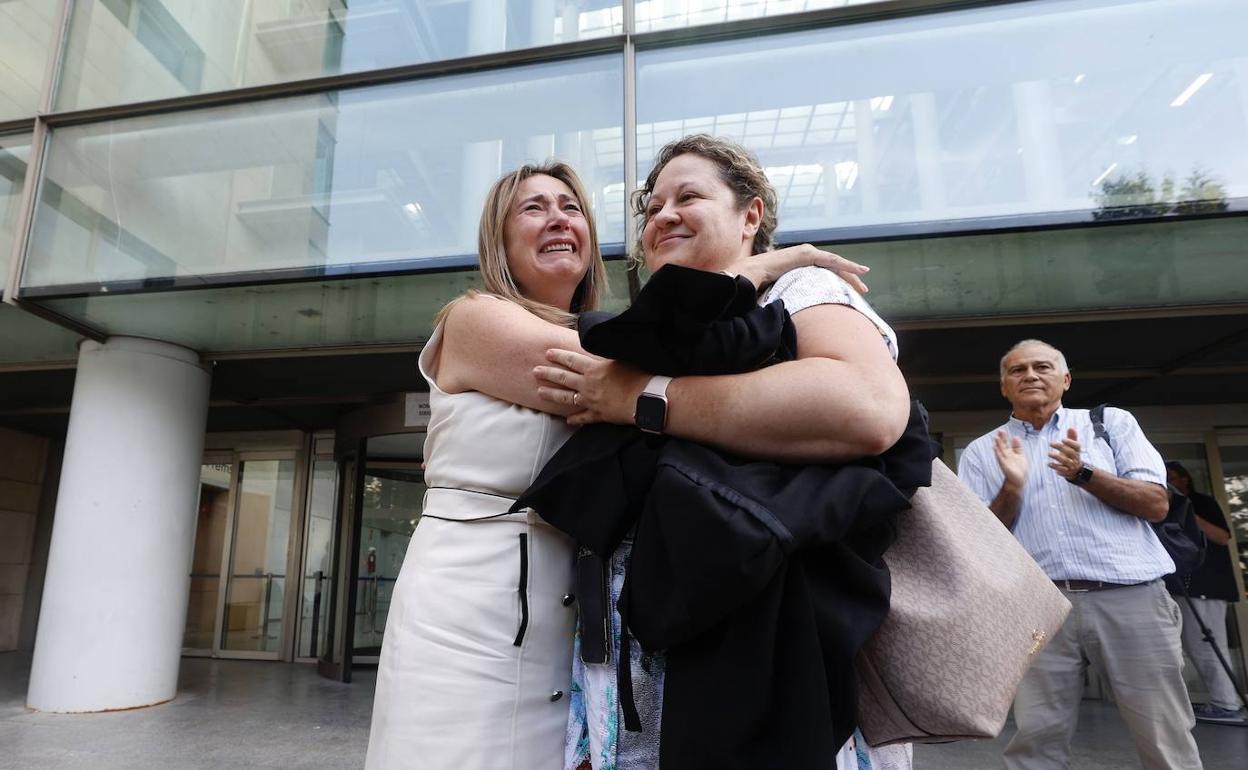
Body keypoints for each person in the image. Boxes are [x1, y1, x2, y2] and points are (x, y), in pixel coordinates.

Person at [364, 160, 872, 769]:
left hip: (576, 613)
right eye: (533, 208)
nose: (558, 218)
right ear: (498, 241)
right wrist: (766, 264)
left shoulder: (619, 335)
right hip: (472, 606)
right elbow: (627, 363)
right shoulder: (475, 320)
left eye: (572, 207)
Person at [531, 135, 914, 770]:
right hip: (635, 693)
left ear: (751, 216)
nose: (663, 216)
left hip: (771, 675)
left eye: (688, 197)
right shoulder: (652, 333)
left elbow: (866, 406)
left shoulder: (801, 289)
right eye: (652, 208)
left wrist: (642, 399)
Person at [956, 339, 1204, 770]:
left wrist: (1082, 473)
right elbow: (981, 539)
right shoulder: (984, 450)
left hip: (1132, 598)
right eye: (1018, 371)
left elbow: (1156, 504)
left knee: (1163, 733)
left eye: (1042, 367)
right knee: (1037, 738)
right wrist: (1011, 487)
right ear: (1004, 388)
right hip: (1040, 606)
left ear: (1065, 379)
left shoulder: (1110, 425)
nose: (1030, 375)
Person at [1165, 460, 1247, 725]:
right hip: (1183, 586)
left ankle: (1228, 704)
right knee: (1194, 645)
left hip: (1207, 587)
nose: (1169, 483)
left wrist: (1188, 514)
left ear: (1185, 479)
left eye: (1173, 478)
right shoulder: (1168, 507)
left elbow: (1222, 537)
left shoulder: (1202, 502)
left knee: (1208, 645)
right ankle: (1222, 700)